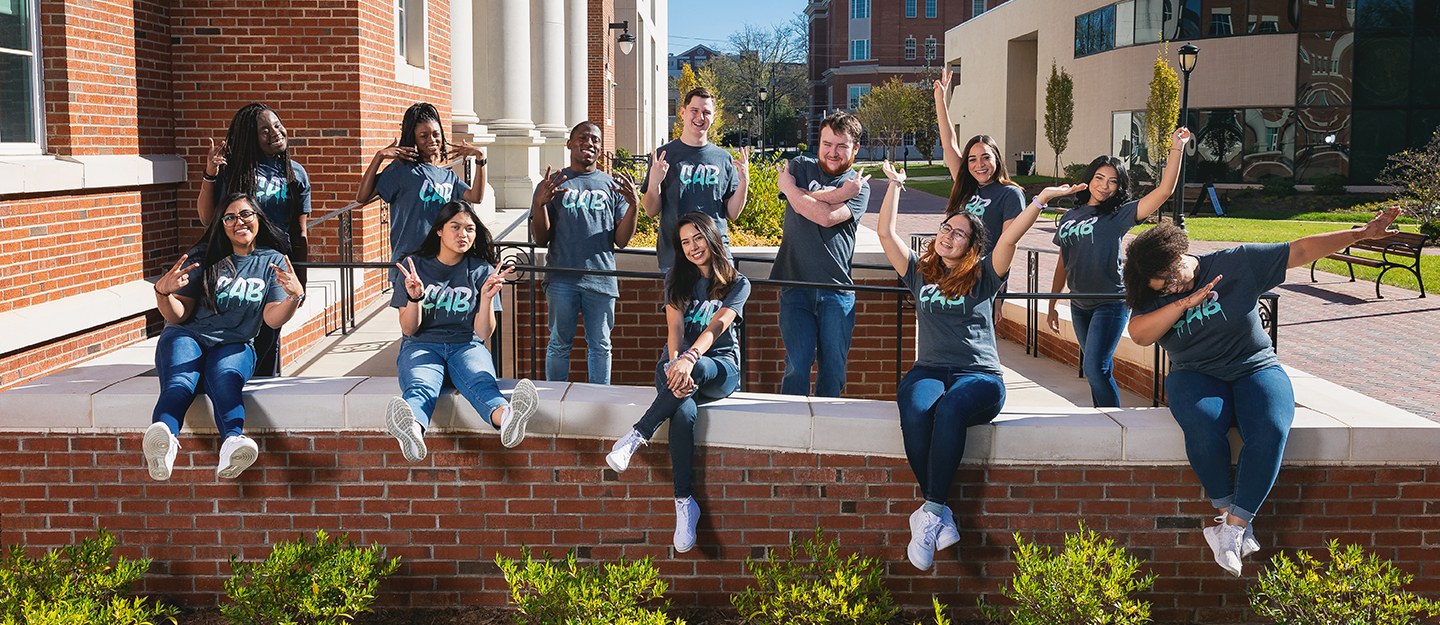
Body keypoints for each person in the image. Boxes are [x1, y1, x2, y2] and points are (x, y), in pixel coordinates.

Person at [1122, 207, 1402, 577]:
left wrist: (1360, 235)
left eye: (1171, 279)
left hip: (1254, 366)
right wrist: (1181, 303)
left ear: (1178, 255)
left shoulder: (1237, 264)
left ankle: (1232, 529)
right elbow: (1140, 334)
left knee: (1271, 426)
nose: (1171, 287)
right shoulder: (1153, 287)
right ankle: (1228, 520)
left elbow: (1300, 250)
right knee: (1202, 424)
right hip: (1194, 373)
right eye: (1163, 287)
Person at [877, 160, 1077, 571]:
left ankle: (930, 511)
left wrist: (1039, 200)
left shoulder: (984, 275)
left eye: (959, 233)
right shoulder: (919, 271)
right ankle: (938, 512)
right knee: (915, 411)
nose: (949, 236)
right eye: (945, 229)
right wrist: (895, 184)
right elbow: (885, 233)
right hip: (929, 369)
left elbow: (1010, 237)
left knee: (950, 409)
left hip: (980, 376)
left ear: (972, 246)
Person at [603, 212, 751, 554]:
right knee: (682, 415)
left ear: (711, 237)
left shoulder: (737, 282)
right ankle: (685, 503)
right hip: (679, 366)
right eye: (685, 242)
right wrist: (675, 360)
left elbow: (717, 327)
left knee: (692, 370)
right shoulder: (675, 279)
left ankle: (637, 434)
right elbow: (676, 331)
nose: (692, 247)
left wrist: (690, 359)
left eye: (697, 238)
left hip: (719, 368)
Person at [143, 193, 306, 481]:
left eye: (245, 214)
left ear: (258, 218)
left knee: (226, 379)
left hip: (236, 342)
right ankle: (164, 440)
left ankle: (232, 442)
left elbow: (271, 318)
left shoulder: (272, 261)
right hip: (187, 335)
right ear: (221, 225)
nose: (238, 222)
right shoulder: (204, 257)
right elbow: (178, 314)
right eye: (230, 217)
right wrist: (162, 293)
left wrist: (294, 297)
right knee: (181, 383)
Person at [1045, 127, 1193, 407]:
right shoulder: (1069, 217)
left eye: (1112, 181)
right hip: (1079, 304)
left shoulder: (1118, 215)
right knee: (1096, 370)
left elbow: (1164, 192)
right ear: (1088, 180)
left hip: (1110, 302)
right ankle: (1104, 418)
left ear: (1118, 187)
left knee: (1095, 369)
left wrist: (1177, 147)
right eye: (1099, 178)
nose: (1104, 185)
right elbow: (1064, 262)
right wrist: (1053, 303)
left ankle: (1115, 423)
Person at [384, 201, 539, 462]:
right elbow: (409, 328)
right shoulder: (414, 267)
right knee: (420, 386)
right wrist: (415, 297)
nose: (463, 234)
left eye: (470, 229)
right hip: (422, 345)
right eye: (455, 227)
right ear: (439, 231)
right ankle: (412, 432)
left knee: (481, 383)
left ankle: (509, 419)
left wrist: (487, 298)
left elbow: (483, 332)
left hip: (466, 345)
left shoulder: (481, 270)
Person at [199, 103, 311, 377]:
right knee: (236, 331)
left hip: (273, 266)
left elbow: (300, 233)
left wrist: (302, 278)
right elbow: (207, 217)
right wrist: (211, 174)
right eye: (264, 131)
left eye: (276, 125)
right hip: (236, 264)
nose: (275, 133)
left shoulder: (296, 173)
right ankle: (228, 383)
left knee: (269, 333)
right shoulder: (233, 169)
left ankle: (261, 391)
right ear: (251, 138)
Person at [530, 121, 641, 385]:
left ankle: (598, 402)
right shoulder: (553, 183)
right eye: (582, 138)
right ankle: (554, 399)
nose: (588, 143)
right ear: (569, 143)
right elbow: (541, 238)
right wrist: (540, 203)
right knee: (558, 344)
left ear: (601, 149)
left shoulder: (610, 185)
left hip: (601, 278)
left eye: (594, 140)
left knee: (600, 346)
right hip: (561, 277)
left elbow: (622, 241)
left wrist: (634, 206)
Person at [772, 111, 871, 398]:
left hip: (836, 291)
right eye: (827, 144)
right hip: (796, 284)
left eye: (841, 146)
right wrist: (837, 194)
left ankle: (825, 436)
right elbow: (807, 208)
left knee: (832, 372)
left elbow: (827, 218)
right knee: (797, 367)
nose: (833, 152)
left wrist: (791, 190)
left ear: (855, 149)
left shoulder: (859, 185)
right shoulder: (802, 166)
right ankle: (791, 434)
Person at [356, 102, 487, 268]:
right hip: (408, 262)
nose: (432, 140)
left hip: (441, 263)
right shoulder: (401, 170)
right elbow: (362, 197)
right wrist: (379, 157)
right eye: (424, 136)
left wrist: (480, 158)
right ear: (414, 139)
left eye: (435, 134)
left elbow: (475, 197)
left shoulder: (448, 176)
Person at [642, 87, 750, 271]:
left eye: (706, 112)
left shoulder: (724, 158)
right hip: (675, 259)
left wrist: (744, 182)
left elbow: (732, 214)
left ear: (713, 116)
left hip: (717, 256)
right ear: (683, 112)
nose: (700, 117)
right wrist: (654, 184)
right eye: (694, 111)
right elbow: (651, 211)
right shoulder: (663, 155)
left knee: (725, 300)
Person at [933, 68, 1025, 256]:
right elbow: (949, 143)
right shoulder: (965, 184)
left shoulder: (1010, 194)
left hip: (983, 276)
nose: (979, 165)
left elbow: (1008, 244)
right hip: (952, 269)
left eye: (986, 157)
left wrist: (995, 277)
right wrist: (940, 100)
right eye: (972, 159)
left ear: (997, 160)